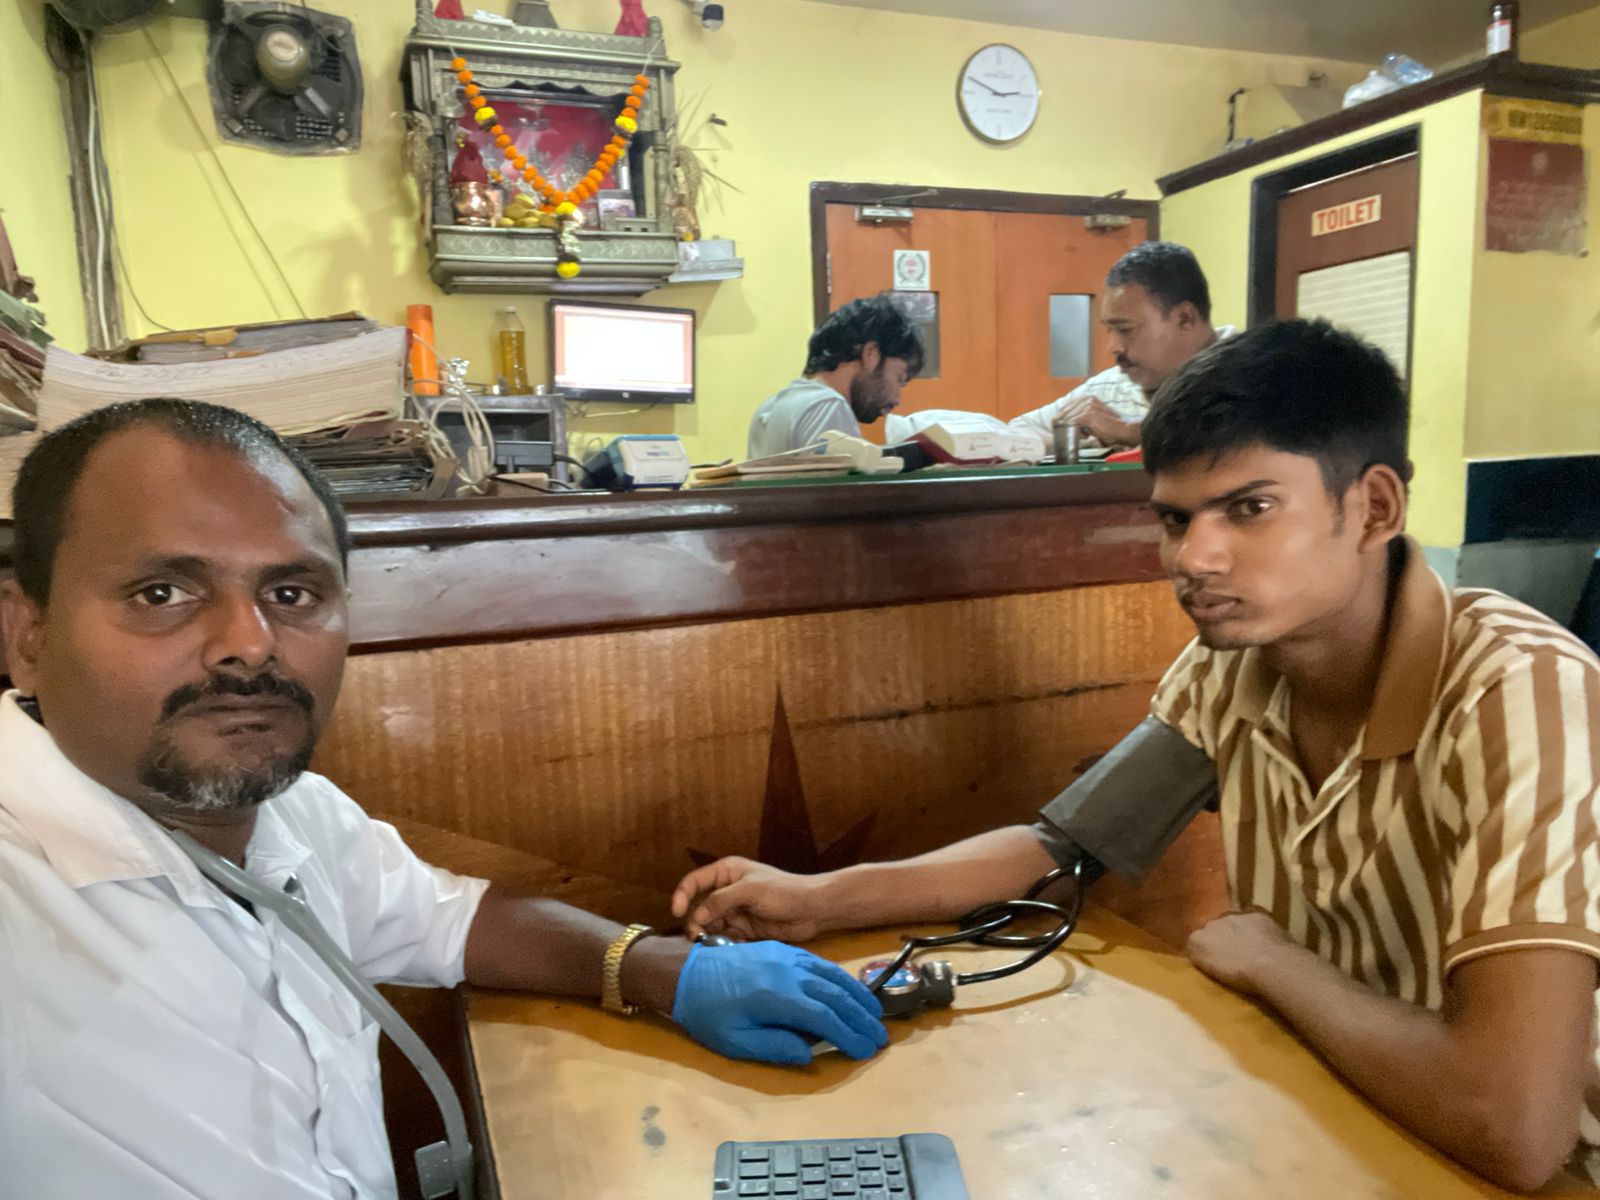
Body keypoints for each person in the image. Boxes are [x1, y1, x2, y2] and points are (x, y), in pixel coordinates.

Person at [675, 320, 1600, 1194]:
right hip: (1341, 1106)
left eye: (1249, 508)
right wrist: (819, 898)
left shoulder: (1520, 688)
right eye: (1175, 519)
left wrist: (1276, 964)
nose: (1195, 558)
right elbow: (1061, 847)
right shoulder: (1232, 666)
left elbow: (1516, 1125)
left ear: (1374, 508)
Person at [0, 399, 887, 1200]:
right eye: (162, 593)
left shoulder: (297, 815)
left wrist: (664, 970)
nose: (250, 644)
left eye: (291, 593)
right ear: (27, 632)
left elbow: (452, 922)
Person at [1009, 241, 1233, 451]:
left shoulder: (1247, 377)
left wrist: (1129, 432)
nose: (1113, 347)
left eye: (1126, 330)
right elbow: (1012, 437)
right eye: (1110, 330)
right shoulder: (1108, 389)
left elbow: (1230, 442)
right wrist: (1072, 442)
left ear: (1185, 318)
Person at [747, 294, 925, 458]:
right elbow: (838, 484)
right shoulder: (828, 406)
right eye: (899, 378)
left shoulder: (771, 406)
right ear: (871, 354)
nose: (897, 399)